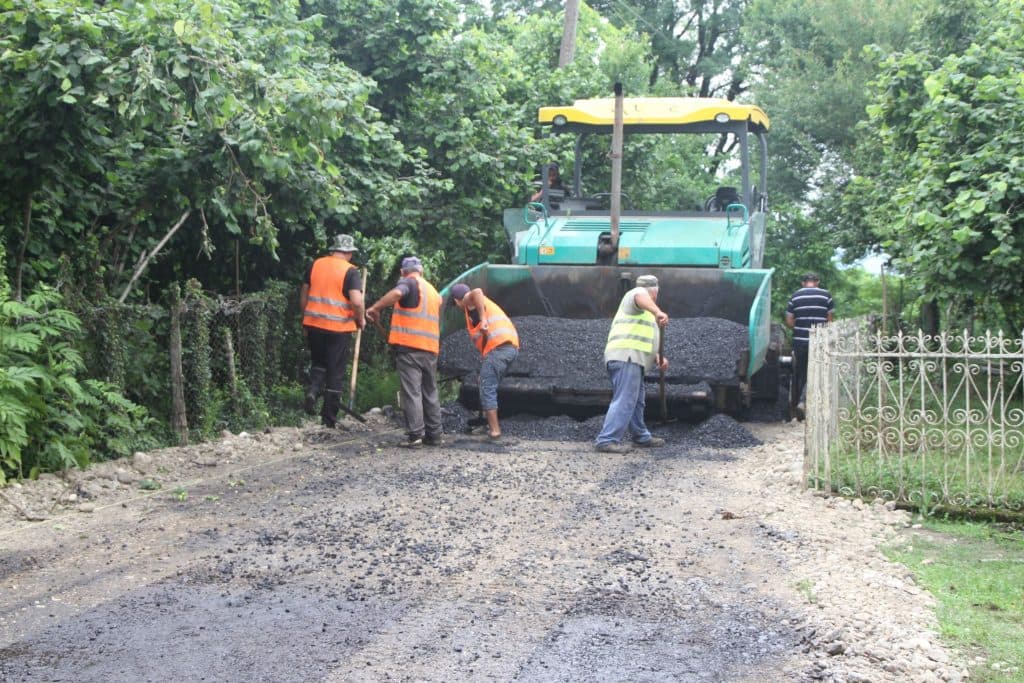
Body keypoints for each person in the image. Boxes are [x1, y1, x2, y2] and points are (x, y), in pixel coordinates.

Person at [365, 256, 444, 448]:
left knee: (412, 392)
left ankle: (415, 435)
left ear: (402, 272)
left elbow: (398, 293)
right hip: (430, 348)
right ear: (422, 271)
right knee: (430, 391)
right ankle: (435, 435)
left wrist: (375, 308)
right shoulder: (433, 292)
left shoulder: (408, 282)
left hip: (410, 348)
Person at [594, 274, 670, 453]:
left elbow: (642, 339)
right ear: (654, 292)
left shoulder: (645, 313)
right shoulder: (636, 294)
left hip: (634, 360)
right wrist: (658, 311)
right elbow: (639, 294)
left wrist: (657, 357)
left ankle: (640, 436)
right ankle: (606, 439)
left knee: (636, 401)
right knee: (625, 399)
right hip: (625, 357)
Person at [299, 234, 365, 428]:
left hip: (314, 324)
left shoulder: (315, 264)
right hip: (338, 327)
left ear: (332, 249)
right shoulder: (351, 271)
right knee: (335, 372)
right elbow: (356, 301)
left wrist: (306, 319)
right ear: (349, 253)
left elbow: (304, 294)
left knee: (319, 363)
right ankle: (328, 420)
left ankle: (313, 389)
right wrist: (360, 319)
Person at [449, 283, 520, 441]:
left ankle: (495, 431)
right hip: (507, 350)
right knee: (487, 383)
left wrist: (483, 319)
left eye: (455, 304)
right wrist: (480, 336)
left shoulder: (470, 301)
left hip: (500, 349)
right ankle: (488, 424)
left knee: (487, 385)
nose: (458, 307)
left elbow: (477, 291)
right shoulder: (472, 310)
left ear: (457, 300)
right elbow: (486, 334)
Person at [785, 272, 834, 420]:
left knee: (801, 373)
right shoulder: (826, 296)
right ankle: (803, 402)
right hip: (819, 340)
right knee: (816, 371)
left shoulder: (795, 296)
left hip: (800, 341)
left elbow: (788, 320)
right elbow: (829, 320)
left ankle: (801, 410)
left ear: (803, 283)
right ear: (817, 282)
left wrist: (799, 329)